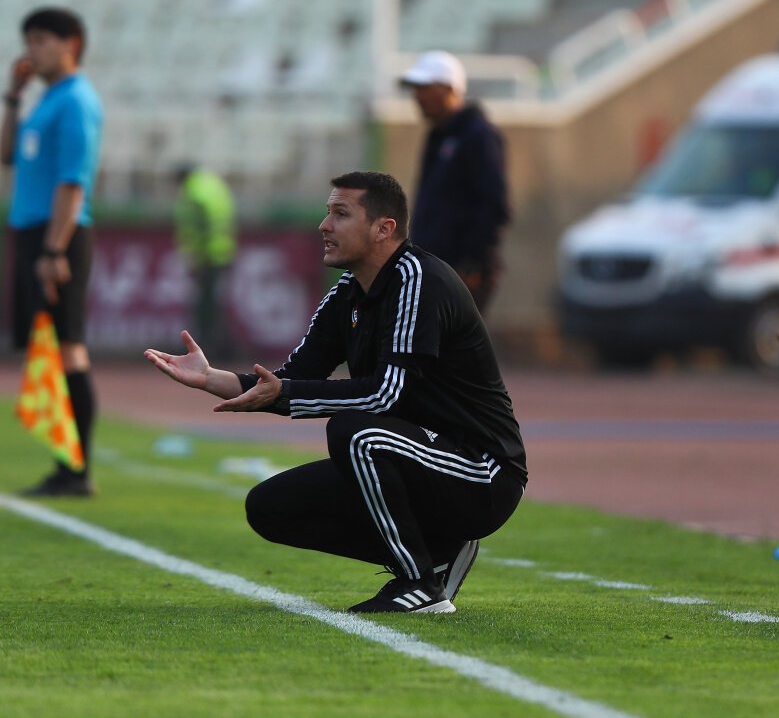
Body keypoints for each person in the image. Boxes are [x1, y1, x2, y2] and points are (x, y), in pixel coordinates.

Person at [144, 171, 526, 613]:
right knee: (270, 507)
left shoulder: (420, 280)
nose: (324, 225)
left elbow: (384, 395)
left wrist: (287, 393)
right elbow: (290, 378)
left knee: (355, 433)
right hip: (415, 459)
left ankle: (420, 583)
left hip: (482, 473)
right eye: (327, 212)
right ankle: (439, 551)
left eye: (340, 214)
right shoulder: (347, 292)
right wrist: (212, 378)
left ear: (383, 229)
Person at [0, 7, 104, 497]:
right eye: (29, 40)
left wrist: (53, 249)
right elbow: (6, 156)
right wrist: (12, 97)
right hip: (34, 234)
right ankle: (65, 466)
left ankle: (76, 471)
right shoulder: (46, 100)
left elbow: (72, 183)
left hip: (57, 236)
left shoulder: (77, 101)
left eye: (41, 40)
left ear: (71, 44)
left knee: (68, 348)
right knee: (50, 352)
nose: (31, 50)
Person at [401, 51, 510, 315]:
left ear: (449, 89)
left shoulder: (478, 136)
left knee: (452, 339)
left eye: (425, 88)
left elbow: (493, 204)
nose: (418, 96)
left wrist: (472, 262)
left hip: (460, 272)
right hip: (434, 268)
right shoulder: (438, 136)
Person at [172, 163, 237, 361]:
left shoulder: (193, 194)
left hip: (207, 256)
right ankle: (218, 345)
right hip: (223, 251)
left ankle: (206, 346)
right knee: (214, 303)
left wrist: (195, 257)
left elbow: (194, 229)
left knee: (205, 306)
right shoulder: (214, 184)